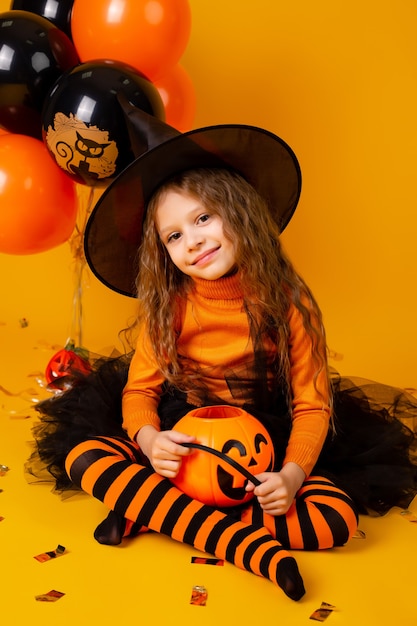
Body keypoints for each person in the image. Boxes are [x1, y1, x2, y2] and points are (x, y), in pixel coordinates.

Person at [29, 110, 417, 602]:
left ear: (239, 211)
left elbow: (313, 405)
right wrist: (150, 442)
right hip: (184, 437)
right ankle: (247, 544)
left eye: (203, 218)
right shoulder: (168, 308)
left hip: (262, 447)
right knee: (85, 457)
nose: (192, 241)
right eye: (173, 236)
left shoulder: (289, 301)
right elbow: (140, 391)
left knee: (334, 518)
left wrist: (292, 477)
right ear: (161, 251)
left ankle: (155, 511)